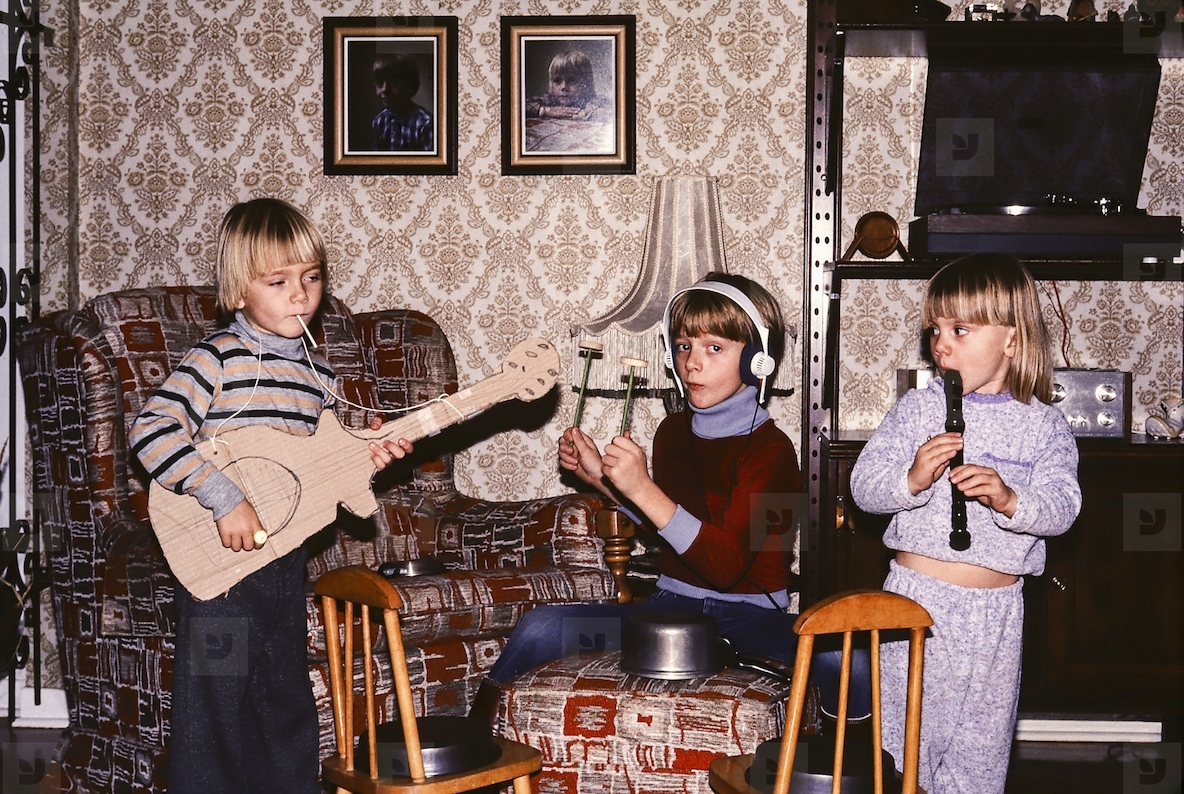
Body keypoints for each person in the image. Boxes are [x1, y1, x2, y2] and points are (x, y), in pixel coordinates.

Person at [131, 198, 413, 794]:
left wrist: (367, 456)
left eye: (311, 279)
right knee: (215, 705)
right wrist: (222, 495)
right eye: (278, 281)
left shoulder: (319, 379)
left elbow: (315, 474)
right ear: (238, 291)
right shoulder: (216, 359)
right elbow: (151, 430)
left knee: (283, 699)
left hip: (284, 564)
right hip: (222, 577)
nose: (300, 295)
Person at [483, 272, 802, 686]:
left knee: (842, 664)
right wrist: (602, 479)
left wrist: (642, 487)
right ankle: (485, 740)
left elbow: (723, 566)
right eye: (684, 345)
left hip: (748, 620)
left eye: (714, 347)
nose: (692, 361)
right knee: (543, 627)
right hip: (670, 610)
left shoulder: (772, 450)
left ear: (755, 361)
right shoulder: (672, 431)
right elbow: (668, 527)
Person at [849, 253, 1081, 794]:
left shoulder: (1044, 427)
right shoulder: (917, 409)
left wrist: (1011, 499)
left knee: (979, 755)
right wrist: (909, 479)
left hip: (998, 614)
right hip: (916, 606)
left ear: (1013, 340)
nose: (941, 344)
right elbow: (864, 487)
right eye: (935, 329)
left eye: (960, 329)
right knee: (904, 753)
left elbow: (1064, 506)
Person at [524, 49, 612, 122]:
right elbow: (520, 105)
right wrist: (544, 110)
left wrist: (586, 113)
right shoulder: (550, 99)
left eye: (572, 80)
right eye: (557, 81)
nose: (563, 87)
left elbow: (612, 112)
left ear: (586, 83)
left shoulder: (593, 100)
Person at [371, 51, 433, 151]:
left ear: (411, 87)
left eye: (394, 83)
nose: (385, 89)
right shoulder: (379, 122)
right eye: (379, 84)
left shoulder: (426, 123)